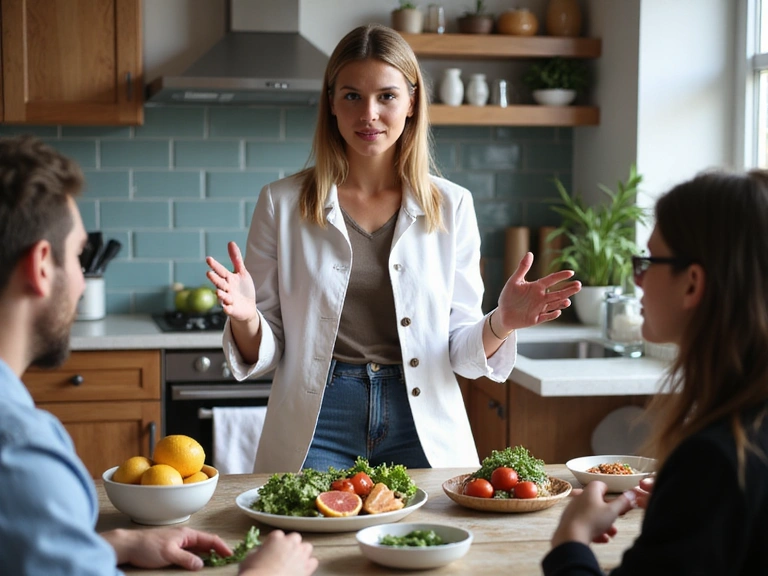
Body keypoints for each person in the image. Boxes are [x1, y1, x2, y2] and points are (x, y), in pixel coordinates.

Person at [206, 23, 581, 474]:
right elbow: (267, 349)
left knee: (428, 543)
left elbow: (460, 350)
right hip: (319, 418)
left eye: (386, 96)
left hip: (422, 418)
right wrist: (247, 319)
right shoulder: (281, 203)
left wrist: (502, 322)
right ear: (330, 103)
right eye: (351, 96)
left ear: (412, 102)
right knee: (307, 540)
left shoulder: (452, 205)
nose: (369, 113)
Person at [0, 135, 318, 576]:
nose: (79, 282)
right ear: (39, 267)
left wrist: (110, 543)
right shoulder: (22, 453)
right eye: (78, 257)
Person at [543, 169, 768, 575]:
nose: (637, 279)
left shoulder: (715, 461)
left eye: (648, 262)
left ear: (692, 284)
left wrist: (570, 540)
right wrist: (678, 509)